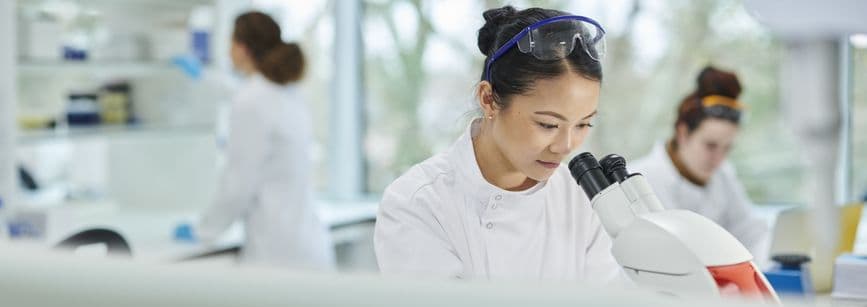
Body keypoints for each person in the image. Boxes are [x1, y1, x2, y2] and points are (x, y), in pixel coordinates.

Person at [374, 6, 625, 282]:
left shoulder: (582, 200)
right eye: (548, 124)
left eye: (583, 124)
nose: (566, 146)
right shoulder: (418, 203)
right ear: (488, 99)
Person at [193, 11, 334, 270]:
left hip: (277, 254)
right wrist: (204, 76)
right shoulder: (289, 93)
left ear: (242, 48)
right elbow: (242, 93)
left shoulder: (252, 100)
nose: (228, 51)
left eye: (230, 43)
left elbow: (237, 184)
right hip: (309, 246)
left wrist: (205, 230)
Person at [629, 66, 769, 264]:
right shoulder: (636, 180)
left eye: (727, 148)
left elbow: (753, 233)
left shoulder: (723, 175)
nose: (719, 159)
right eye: (710, 146)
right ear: (683, 133)